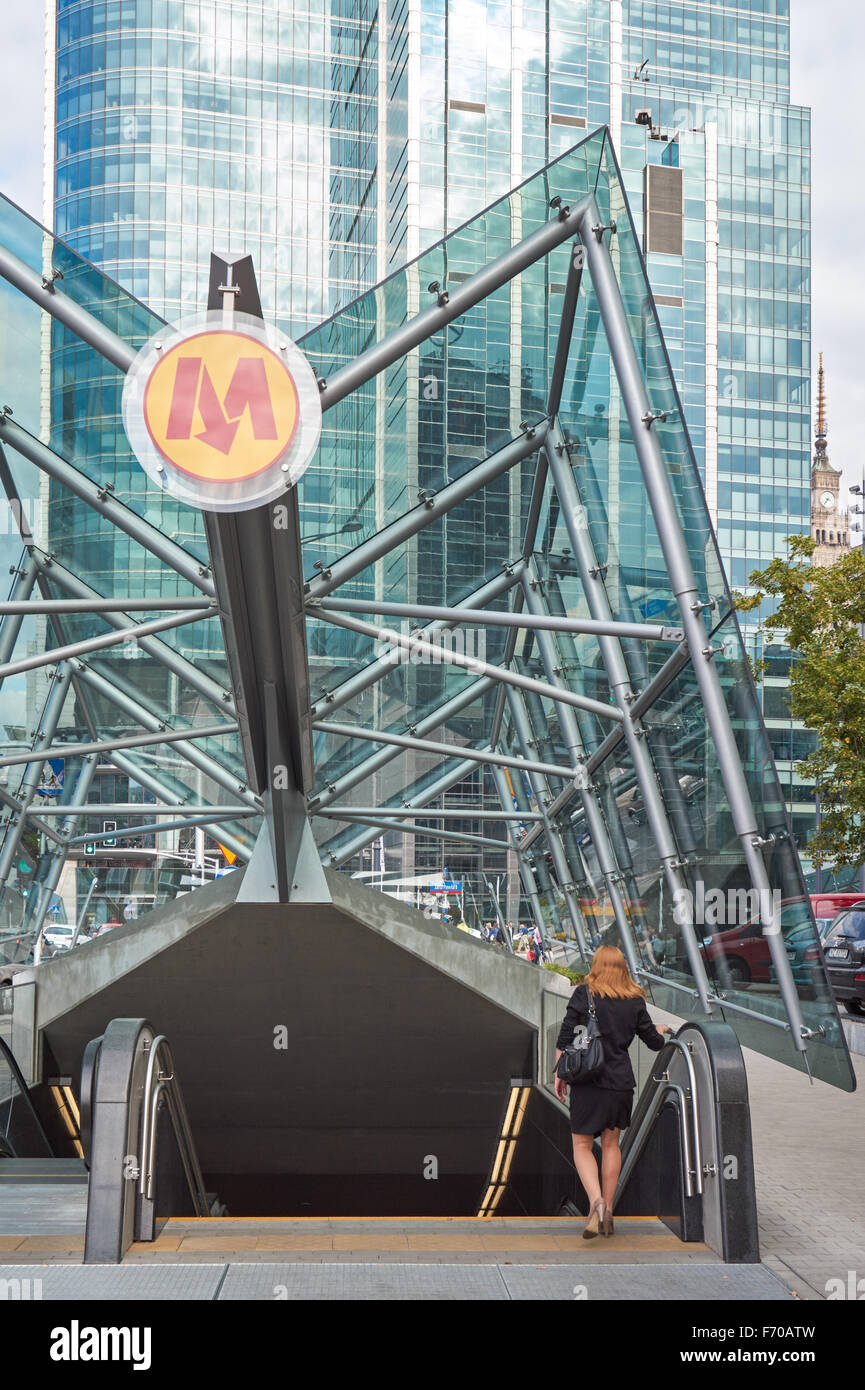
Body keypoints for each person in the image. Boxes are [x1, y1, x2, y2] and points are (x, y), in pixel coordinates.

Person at [554, 945, 672, 1240]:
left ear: (597, 965)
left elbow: (565, 1037)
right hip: (620, 1084)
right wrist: (659, 1029)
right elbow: (654, 1042)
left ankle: (595, 1201)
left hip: (587, 1082)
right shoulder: (634, 999)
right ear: (623, 968)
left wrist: (559, 1074)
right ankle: (608, 1213)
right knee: (611, 1145)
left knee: (581, 1145)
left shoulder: (584, 994)